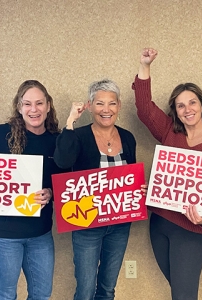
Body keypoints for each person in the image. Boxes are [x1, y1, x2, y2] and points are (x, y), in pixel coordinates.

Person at [132, 48, 202, 300]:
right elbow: (144, 109)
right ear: (175, 112)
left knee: (184, 295)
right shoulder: (170, 133)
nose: (187, 109)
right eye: (180, 106)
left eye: (192, 102)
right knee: (179, 292)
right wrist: (145, 66)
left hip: (191, 231)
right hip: (160, 224)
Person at [53, 79, 138, 300]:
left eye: (111, 103)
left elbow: (130, 178)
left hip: (119, 225)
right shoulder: (78, 136)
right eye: (100, 103)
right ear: (90, 106)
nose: (106, 110)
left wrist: (138, 189)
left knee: (108, 288)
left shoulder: (127, 138)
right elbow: (62, 161)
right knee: (86, 290)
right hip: (86, 225)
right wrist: (70, 121)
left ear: (119, 105)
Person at [0, 80, 64, 299]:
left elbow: (64, 181)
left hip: (41, 233)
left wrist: (52, 193)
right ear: (19, 107)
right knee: (6, 295)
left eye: (39, 103)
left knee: (42, 295)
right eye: (27, 104)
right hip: (5, 235)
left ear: (48, 105)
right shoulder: (1, 135)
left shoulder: (57, 141)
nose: (33, 109)